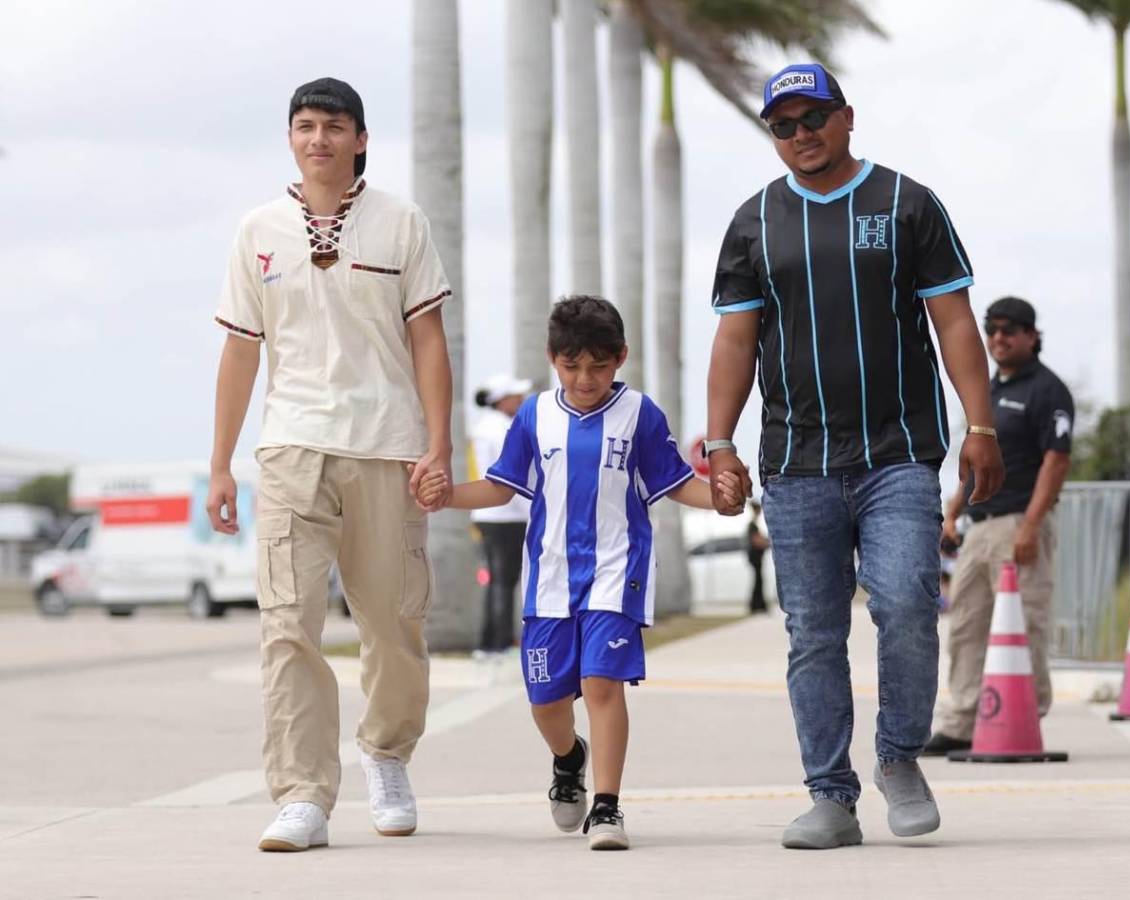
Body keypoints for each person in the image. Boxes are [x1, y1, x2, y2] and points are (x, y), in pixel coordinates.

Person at [704, 63, 1004, 850]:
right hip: (797, 463)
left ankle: (899, 757)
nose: (800, 135)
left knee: (906, 600)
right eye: (783, 125)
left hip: (898, 453)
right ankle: (830, 796)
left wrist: (982, 426)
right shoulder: (753, 223)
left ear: (847, 118)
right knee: (813, 632)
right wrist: (719, 443)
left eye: (814, 118)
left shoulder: (907, 205)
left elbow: (954, 324)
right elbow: (736, 341)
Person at [205, 77, 454, 852]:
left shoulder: (400, 222)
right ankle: (302, 793)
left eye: (334, 127)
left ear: (361, 139)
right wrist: (222, 464)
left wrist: (438, 444)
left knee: (393, 623)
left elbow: (428, 340)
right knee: (288, 626)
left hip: (387, 445)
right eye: (305, 126)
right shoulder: (258, 230)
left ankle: (387, 755)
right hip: (290, 448)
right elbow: (240, 350)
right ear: (291, 138)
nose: (319, 139)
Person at [418, 296, 742, 851]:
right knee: (545, 700)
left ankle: (608, 807)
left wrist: (720, 498)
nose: (585, 378)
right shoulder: (533, 416)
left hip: (618, 570)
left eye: (597, 365)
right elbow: (502, 485)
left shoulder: (641, 415)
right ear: (552, 359)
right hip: (548, 578)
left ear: (620, 358)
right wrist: (447, 495)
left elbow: (674, 481)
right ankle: (569, 759)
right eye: (571, 367)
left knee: (601, 683)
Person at [925, 297, 1073, 755]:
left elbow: (1056, 459)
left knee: (1023, 624)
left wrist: (1032, 525)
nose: (999, 339)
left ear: (1032, 335)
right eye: (992, 330)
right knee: (967, 623)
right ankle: (962, 720)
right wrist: (953, 509)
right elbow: (975, 460)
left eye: (1010, 330)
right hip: (979, 526)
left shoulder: (1048, 390)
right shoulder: (986, 391)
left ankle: (1025, 714)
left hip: (1017, 524)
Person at [470, 374, 532, 657]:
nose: (520, 400)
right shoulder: (502, 430)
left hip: (488, 514)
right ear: (501, 400)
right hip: (506, 515)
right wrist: (532, 511)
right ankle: (500, 643)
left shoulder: (485, 428)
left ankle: (489, 642)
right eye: (515, 396)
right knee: (504, 581)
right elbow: (513, 478)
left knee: (497, 580)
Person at [746, 499, 770, 614]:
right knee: (758, 580)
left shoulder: (753, 525)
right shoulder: (752, 525)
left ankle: (758, 604)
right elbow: (756, 541)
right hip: (755, 556)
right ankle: (756, 605)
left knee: (758, 580)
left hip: (756, 557)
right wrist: (770, 543)